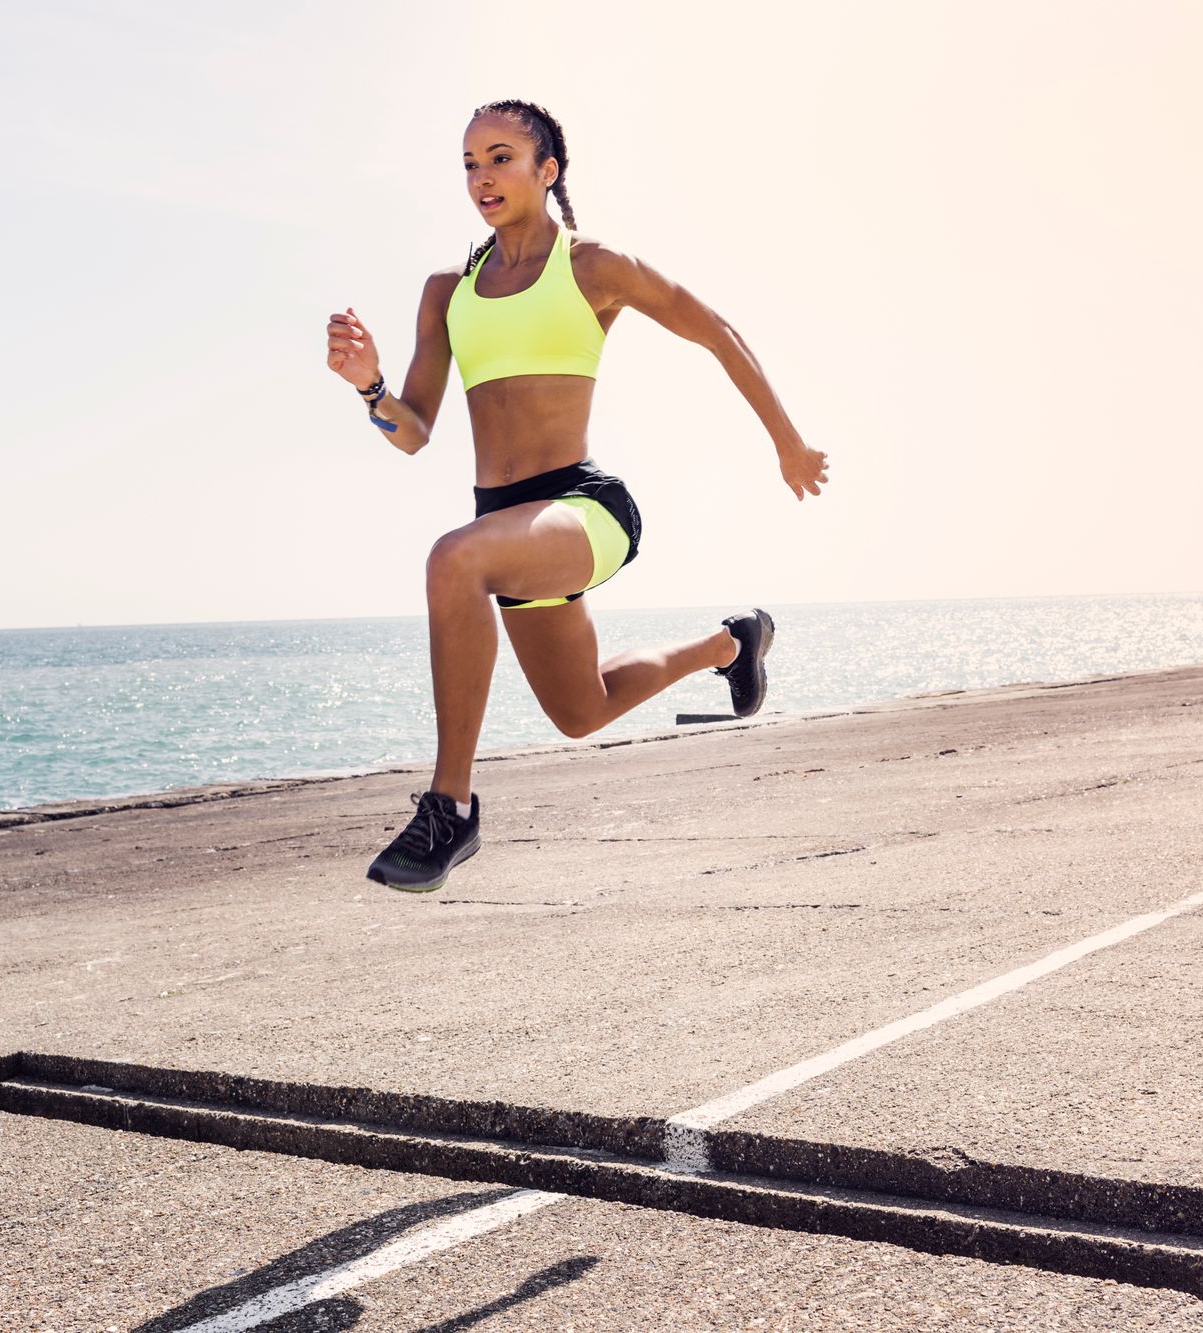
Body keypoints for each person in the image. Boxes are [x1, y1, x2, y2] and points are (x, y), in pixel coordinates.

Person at [326, 99, 829, 893]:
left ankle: (450, 807)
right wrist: (371, 389)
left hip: (584, 510)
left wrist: (788, 441)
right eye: (468, 163)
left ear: (546, 170)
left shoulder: (592, 267)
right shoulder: (446, 291)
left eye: (498, 157)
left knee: (452, 560)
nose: (480, 177)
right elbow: (413, 430)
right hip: (511, 527)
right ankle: (731, 643)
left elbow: (716, 332)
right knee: (581, 710)